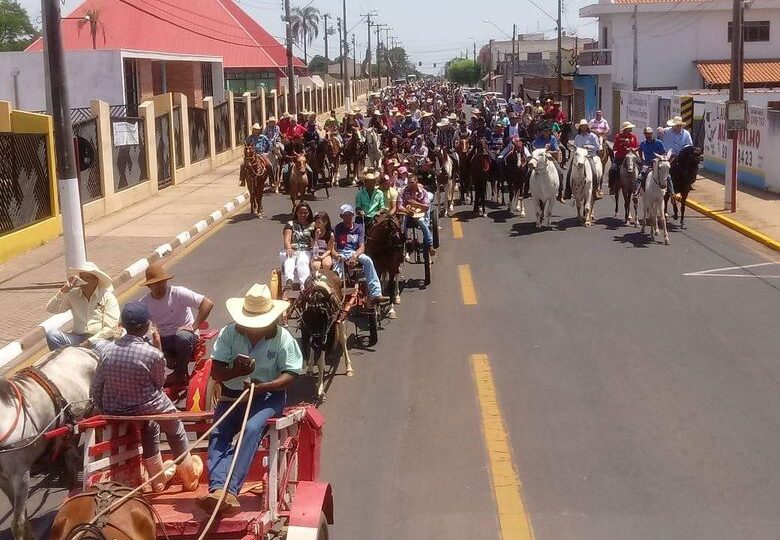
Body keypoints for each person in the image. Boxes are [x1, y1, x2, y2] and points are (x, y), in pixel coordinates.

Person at [196, 284, 303, 516]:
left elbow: (291, 374)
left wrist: (262, 386)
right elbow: (216, 372)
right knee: (219, 432)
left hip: (267, 396)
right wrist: (235, 371)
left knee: (252, 427)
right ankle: (217, 489)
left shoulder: (282, 338)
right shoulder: (229, 333)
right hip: (233, 395)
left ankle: (231, 490)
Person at [91, 302, 203, 493]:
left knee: (150, 426)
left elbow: (96, 387)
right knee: (174, 426)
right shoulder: (153, 354)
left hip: (115, 409)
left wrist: (104, 409)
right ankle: (188, 476)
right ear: (146, 327)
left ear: (122, 325)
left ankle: (158, 482)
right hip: (147, 406)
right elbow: (159, 384)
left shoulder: (106, 351)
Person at [139, 263, 214, 387]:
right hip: (163, 339)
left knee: (182, 337)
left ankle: (180, 374)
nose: (160, 285)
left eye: (162, 281)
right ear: (149, 286)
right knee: (141, 344)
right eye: (156, 283)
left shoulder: (178, 293)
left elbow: (207, 303)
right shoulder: (145, 303)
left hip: (185, 336)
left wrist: (193, 327)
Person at [45, 262, 119, 356]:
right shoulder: (72, 295)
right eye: (81, 277)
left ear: (96, 281)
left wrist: (89, 342)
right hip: (77, 338)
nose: (82, 281)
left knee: (105, 350)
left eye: (86, 278)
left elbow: (110, 328)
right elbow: (51, 309)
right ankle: (67, 362)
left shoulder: (107, 297)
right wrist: (64, 291)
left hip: (99, 339)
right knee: (52, 335)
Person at [333, 205, 389, 307]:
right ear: (341, 216)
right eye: (345, 215)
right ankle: (335, 295)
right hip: (342, 253)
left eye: (349, 215)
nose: (347, 217)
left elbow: (362, 247)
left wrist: (354, 256)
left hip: (355, 252)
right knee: (337, 270)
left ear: (353, 215)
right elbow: (334, 248)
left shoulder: (358, 228)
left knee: (367, 260)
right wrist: (338, 257)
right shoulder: (337, 228)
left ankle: (376, 294)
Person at [562, 119, 601, 200]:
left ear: (587, 127)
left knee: (594, 171)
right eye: (582, 126)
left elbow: (597, 147)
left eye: (585, 126)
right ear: (580, 128)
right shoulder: (577, 137)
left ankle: (596, 190)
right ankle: (567, 191)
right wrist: (575, 149)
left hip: (590, 156)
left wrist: (589, 147)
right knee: (569, 171)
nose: (583, 128)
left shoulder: (593, 136)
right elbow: (575, 146)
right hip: (580, 156)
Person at [397, 174, 435, 258]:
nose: (410, 184)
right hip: (407, 213)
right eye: (409, 182)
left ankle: (430, 244)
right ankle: (404, 244)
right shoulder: (402, 191)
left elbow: (426, 206)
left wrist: (416, 204)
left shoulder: (423, 192)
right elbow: (399, 206)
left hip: (420, 213)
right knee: (402, 224)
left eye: (412, 182)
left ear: (416, 181)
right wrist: (407, 211)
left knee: (422, 222)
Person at [280, 202, 315, 288]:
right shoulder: (290, 224)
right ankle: (289, 281)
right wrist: (288, 248)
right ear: (296, 213)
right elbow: (287, 239)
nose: (303, 215)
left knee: (302, 261)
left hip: (307, 250)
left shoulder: (313, 225)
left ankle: (305, 285)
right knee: (289, 259)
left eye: (305, 213)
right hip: (293, 248)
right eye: (300, 213)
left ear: (309, 213)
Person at [638, 126, 670, 194]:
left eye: (649, 133)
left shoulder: (659, 142)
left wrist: (658, 158)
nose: (647, 135)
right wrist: (641, 159)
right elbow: (640, 150)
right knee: (640, 176)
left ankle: (672, 193)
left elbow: (664, 153)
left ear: (652, 134)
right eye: (646, 134)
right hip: (647, 164)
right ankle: (636, 193)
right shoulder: (643, 143)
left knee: (668, 177)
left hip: (657, 164)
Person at [609, 121, 640, 192]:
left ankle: (639, 186)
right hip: (621, 157)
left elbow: (637, 146)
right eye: (629, 128)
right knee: (612, 169)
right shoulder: (618, 136)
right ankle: (612, 186)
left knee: (641, 167)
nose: (631, 129)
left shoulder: (633, 137)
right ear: (625, 129)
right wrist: (623, 145)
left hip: (631, 157)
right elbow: (615, 148)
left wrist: (632, 148)